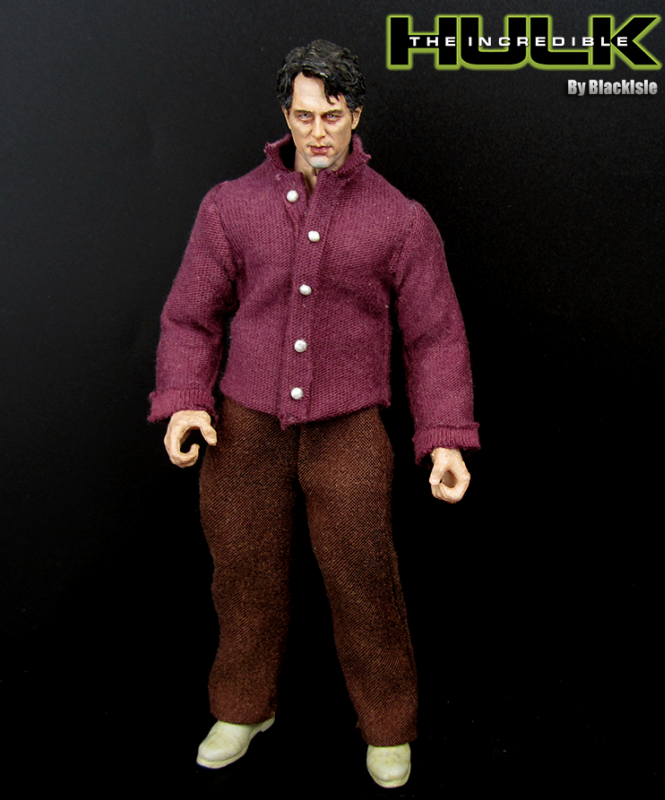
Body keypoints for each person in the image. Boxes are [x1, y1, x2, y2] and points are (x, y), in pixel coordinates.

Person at [149, 40, 479, 789]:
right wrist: (185, 403)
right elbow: (191, 316)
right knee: (242, 573)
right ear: (285, 115)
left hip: (349, 427)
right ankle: (242, 706)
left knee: (363, 574)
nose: (318, 131)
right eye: (304, 116)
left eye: (332, 115)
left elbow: (434, 337)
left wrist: (444, 439)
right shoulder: (231, 206)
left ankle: (388, 723)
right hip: (243, 427)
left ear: (356, 115)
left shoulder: (399, 219)